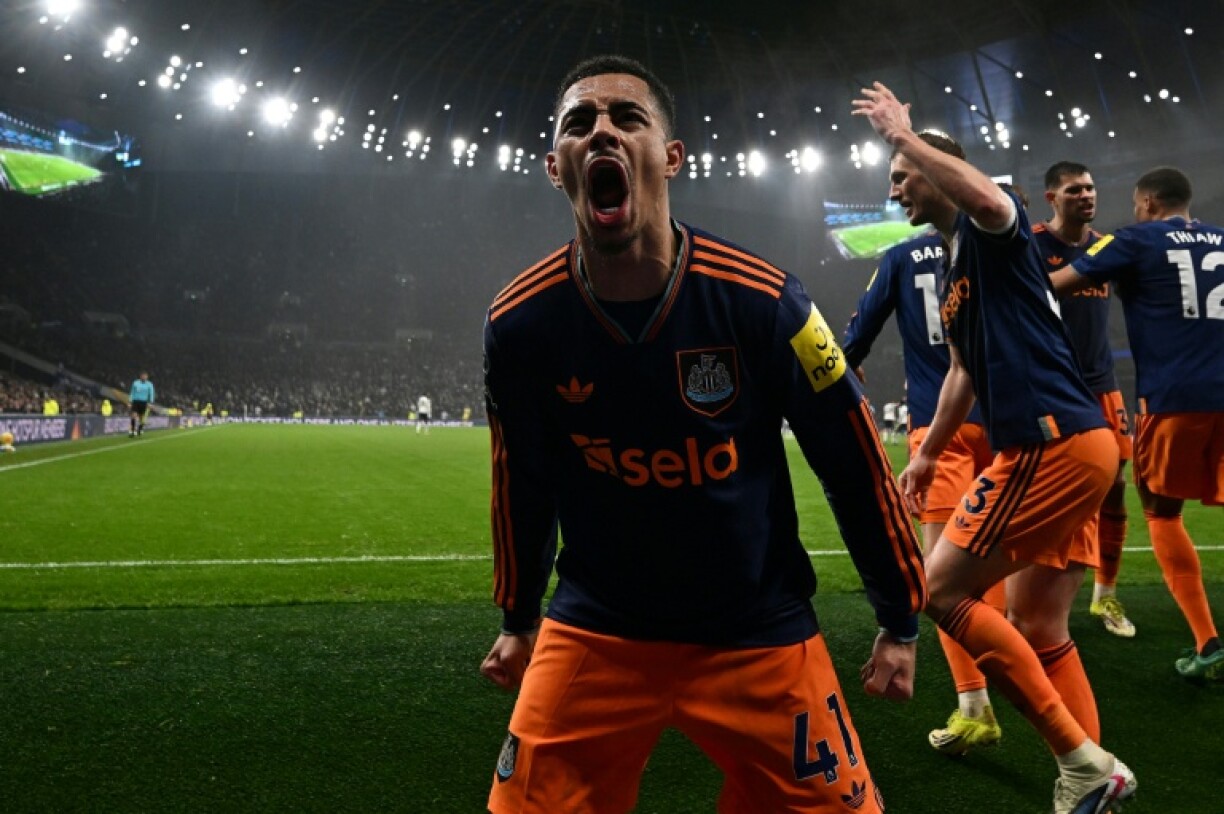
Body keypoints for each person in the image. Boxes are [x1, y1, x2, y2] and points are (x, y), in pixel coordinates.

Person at [480, 56, 927, 814]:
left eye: (628, 118)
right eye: (579, 124)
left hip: (755, 628)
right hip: (598, 627)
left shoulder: (765, 298)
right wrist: (520, 619)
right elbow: (521, 479)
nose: (602, 134)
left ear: (671, 157)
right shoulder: (519, 322)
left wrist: (899, 616)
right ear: (557, 168)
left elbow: (851, 456)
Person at [853, 82, 1135, 813]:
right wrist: (924, 454)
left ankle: (1078, 760)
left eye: (902, 178)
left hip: (1048, 445)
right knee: (1039, 622)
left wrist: (903, 135)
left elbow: (987, 197)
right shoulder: (959, 268)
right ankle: (1089, 780)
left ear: (936, 168)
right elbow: (963, 373)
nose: (896, 192)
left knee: (940, 589)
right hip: (1075, 442)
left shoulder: (991, 226)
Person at [1051, 166, 1224, 680]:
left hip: (1175, 397)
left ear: (1147, 202)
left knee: (1161, 510)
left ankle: (1208, 643)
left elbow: (1056, 284)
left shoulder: (1135, 239)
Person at [842, 231, 1005, 756]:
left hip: (942, 426)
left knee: (937, 576)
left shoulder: (902, 257)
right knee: (1000, 564)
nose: (898, 190)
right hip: (1010, 419)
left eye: (905, 176)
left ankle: (976, 705)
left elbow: (860, 328)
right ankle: (1010, 679)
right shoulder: (1001, 243)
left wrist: (846, 358)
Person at [1036, 161, 1136, 638]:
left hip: (1102, 388)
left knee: (1115, 489)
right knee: (1046, 494)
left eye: (1092, 188)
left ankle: (1105, 595)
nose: (1087, 195)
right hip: (1050, 388)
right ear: (1051, 197)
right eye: (1075, 189)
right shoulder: (1031, 244)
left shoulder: (1109, 248)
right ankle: (1038, 601)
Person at [129, 371, 154, 437]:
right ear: (140, 376)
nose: (144, 377)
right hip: (135, 401)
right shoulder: (135, 383)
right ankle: (132, 431)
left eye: (145, 376)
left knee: (141, 418)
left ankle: (140, 428)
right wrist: (130, 401)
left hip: (144, 402)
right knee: (133, 415)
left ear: (147, 377)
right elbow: (132, 392)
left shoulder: (149, 384)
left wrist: (150, 402)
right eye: (143, 376)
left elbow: (151, 394)